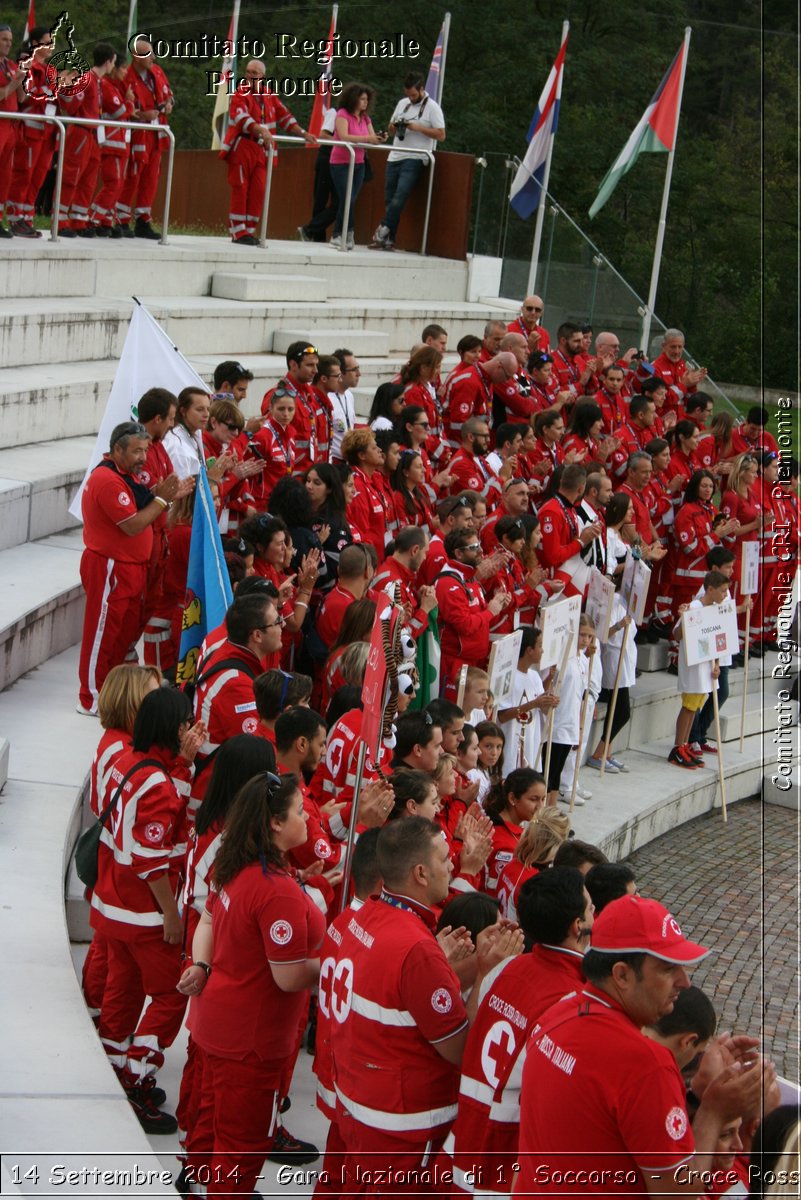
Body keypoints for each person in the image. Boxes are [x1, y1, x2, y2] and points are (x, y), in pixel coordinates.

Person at [516, 892, 768, 1198]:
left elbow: (609, 1110)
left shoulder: (556, 1014)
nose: (684, 982)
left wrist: (694, 1086)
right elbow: (677, 1193)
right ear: (622, 975)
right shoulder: (647, 1066)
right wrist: (713, 1112)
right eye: (667, 969)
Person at [179, 772, 325, 1198]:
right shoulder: (272, 888)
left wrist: (203, 964)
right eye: (300, 812)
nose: (307, 820)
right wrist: (335, 962)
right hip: (251, 1042)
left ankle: (199, 1187)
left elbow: (208, 918)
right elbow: (288, 975)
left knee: (209, 1124)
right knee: (241, 1147)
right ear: (275, 823)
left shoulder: (237, 860)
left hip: (217, 1024)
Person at [328, 818, 469, 1189]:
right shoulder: (418, 949)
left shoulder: (370, 913)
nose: (452, 864)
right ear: (420, 873)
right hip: (402, 1127)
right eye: (444, 858)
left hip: (360, 1103)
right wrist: (484, 975)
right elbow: (459, 1048)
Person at [91, 688, 205, 1132]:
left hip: (112, 904)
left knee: (124, 988)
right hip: (142, 914)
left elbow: (161, 820)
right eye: (185, 724)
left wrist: (183, 765)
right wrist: (171, 916)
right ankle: (137, 1075)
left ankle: (116, 1066)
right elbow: (153, 857)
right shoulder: (157, 780)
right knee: (173, 992)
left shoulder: (126, 760)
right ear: (171, 728)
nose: (191, 730)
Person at [446, 865, 591, 1196]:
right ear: (577, 925)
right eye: (591, 907)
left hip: (464, 1140)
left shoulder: (506, 967)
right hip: (503, 1161)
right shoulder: (570, 1001)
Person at [78, 421, 193, 715]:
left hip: (131, 569)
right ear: (117, 449)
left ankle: (111, 692)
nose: (143, 457)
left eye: (145, 450)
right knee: (102, 633)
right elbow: (133, 525)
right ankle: (90, 696)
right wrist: (163, 498)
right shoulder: (107, 480)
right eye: (136, 451)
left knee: (121, 635)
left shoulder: (127, 475)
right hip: (111, 567)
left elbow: (146, 504)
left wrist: (166, 496)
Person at [81, 664, 162, 1018]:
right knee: (111, 955)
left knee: (105, 946)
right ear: (132, 701)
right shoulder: (123, 750)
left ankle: (94, 1005)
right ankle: (97, 1011)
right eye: (152, 695)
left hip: (110, 860)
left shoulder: (116, 740)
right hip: (116, 864)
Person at [220, 59, 315, 245]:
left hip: (263, 150)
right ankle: (238, 232)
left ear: (263, 76)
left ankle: (249, 231)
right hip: (243, 147)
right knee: (240, 188)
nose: (250, 76)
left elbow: (284, 116)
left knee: (259, 190)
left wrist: (303, 133)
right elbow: (241, 117)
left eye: (254, 73)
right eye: (248, 72)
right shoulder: (240, 93)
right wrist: (261, 130)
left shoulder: (269, 95)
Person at [370, 70, 445, 251]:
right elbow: (391, 126)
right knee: (389, 199)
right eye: (408, 95)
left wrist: (417, 128)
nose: (410, 98)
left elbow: (441, 134)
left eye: (413, 95)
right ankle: (389, 240)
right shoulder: (402, 104)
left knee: (400, 196)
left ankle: (383, 229)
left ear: (421, 89)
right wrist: (395, 127)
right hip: (395, 155)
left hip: (415, 157)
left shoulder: (432, 107)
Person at [435, 528, 510, 697]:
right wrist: (490, 612)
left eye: (479, 545)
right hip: (455, 666)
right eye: (474, 547)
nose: (481, 551)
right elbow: (465, 625)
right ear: (458, 554)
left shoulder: (469, 579)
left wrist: (497, 606)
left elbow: (481, 621)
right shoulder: (449, 584)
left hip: (472, 663)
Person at [669, 569, 730, 769]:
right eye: (722, 591)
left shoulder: (713, 609)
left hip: (705, 668)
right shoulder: (693, 607)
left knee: (695, 708)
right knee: (688, 708)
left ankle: (685, 745)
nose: (725, 595)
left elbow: (715, 639)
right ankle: (677, 747)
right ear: (710, 589)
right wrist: (684, 618)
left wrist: (717, 665)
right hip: (693, 667)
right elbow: (677, 635)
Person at [57, 42, 116, 238]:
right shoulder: (87, 79)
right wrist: (65, 90)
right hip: (81, 134)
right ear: (108, 62)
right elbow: (72, 107)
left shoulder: (98, 82)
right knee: (71, 178)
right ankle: (60, 220)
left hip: (92, 136)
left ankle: (78, 220)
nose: (113, 67)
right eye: (113, 63)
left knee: (88, 181)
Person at [117, 38, 173, 239]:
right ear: (136, 56)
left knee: (151, 178)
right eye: (148, 54)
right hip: (138, 133)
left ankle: (143, 220)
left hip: (157, 134)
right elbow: (121, 107)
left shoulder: (157, 72)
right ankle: (121, 219)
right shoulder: (126, 76)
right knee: (133, 175)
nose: (153, 58)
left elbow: (169, 95)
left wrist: (168, 106)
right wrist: (142, 115)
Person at [5, 24, 55, 237]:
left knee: (37, 178)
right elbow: (24, 96)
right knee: (23, 176)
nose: (51, 45)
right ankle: (15, 218)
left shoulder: (47, 69)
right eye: (47, 41)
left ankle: (26, 217)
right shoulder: (28, 65)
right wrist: (46, 91)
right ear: (35, 44)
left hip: (47, 133)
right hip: (30, 131)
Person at [329, 82, 385, 250]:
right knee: (346, 197)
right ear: (353, 99)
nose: (365, 102)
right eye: (362, 99)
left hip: (359, 163)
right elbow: (344, 136)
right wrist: (369, 139)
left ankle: (344, 233)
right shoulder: (342, 114)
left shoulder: (365, 118)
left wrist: (379, 138)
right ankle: (340, 233)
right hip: (341, 163)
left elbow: (371, 136)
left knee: (351, 199)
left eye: (367, 99)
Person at [538, 463, 603, 596]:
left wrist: (586, 535)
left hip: (564, 578)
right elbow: (553, 557)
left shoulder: (570, 509)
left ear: (562, 481)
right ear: (581, 489)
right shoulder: (551, 512)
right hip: (551, 584)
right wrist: (581, 541)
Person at [261, 341, 322, 479]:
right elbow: (271, 440)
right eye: (310, 365)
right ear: (293, 365)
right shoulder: (277, 396)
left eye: (316, 365)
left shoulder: (308, 393)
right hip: (289, 479)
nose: (316, 370)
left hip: (309, 476)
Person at [89, 51, 134, 235]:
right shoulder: (107, 86)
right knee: (113, 184)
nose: (125, 72)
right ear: (113, 68)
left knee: (118, 184)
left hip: (120, 144)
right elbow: (120, 112)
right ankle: (93, 218)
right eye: (123, 68)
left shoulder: (116, 88)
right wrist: (130, 103)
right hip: (111, 144)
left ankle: (105, 221)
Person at [298, 100, 338, 243]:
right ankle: (316, 237)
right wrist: (343, 141)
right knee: (320, 200)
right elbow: (323, 135)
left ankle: (310, 230)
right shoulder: (334, 112)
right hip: (327, 158)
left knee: (339, 203)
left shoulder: (357, 118)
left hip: (340, 161)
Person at [651, 327, 708, 413]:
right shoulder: (655, 367)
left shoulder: (683, 366)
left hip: (681, 421)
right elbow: (662, 400)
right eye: (673, 347)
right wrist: (684, 385)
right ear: (663, 346)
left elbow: (689, 402)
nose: (677, 351)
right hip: (662, 420)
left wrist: (693, 385)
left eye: (680, 347)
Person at [162, 387, 210, 478]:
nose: (206, 414)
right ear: (183, 411)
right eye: (200, 409)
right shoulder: (177, 447)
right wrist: (213, 478)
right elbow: (181, 489)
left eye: (208, 409)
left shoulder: (196, 431)